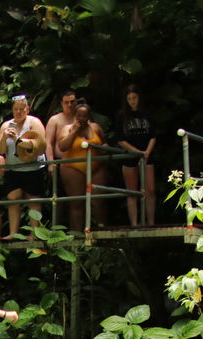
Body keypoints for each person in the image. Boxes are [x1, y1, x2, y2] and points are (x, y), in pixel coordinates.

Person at [0, 94, 48, 237]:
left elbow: (39, 145)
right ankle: (13, 233)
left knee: (33, 199)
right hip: (13, 169)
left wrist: (18, 140)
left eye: (21, 109)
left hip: (33, 168)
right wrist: (4, 137)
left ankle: (35, 233)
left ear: (27, 109)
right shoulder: (6, 125)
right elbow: (1, 150)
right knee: (13, 199)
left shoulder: (34, 122)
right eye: (15, 109)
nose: (18, 112)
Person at [56, 98, 108, 231]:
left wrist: (103, 147)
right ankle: (77, 233)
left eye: (84, 115)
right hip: (73, 168)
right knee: (77, 202)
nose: (82, 118)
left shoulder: (95, 127)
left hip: (95, 166)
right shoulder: (67, 129)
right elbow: (62, 146)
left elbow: (105, 143)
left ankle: (102, 229)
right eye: (79, 115)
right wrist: (73, 132)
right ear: (75, 116)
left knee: (99, 200)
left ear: (88, 116)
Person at [115, 84, 157, 226]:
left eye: (135, 98)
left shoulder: (147, 114)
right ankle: (134, 223)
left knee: (150, 189)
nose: (133, 101)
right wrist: (136, 152)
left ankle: (151, 223)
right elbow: (120, 139)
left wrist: (146, 153)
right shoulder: (122, 116)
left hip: (147, 154)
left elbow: (153, 135)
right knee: (132, 191)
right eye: (129, 98)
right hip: (130, 155)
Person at [44, 89, 78, 189]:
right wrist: (51, 163)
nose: (69, 105)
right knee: (60, 197)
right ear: (62, 103)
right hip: (60, 162)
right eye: (66, 102)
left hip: (79, 160)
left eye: (72, 102)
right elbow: (48, 143)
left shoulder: (81, 118)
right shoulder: (55, 120)